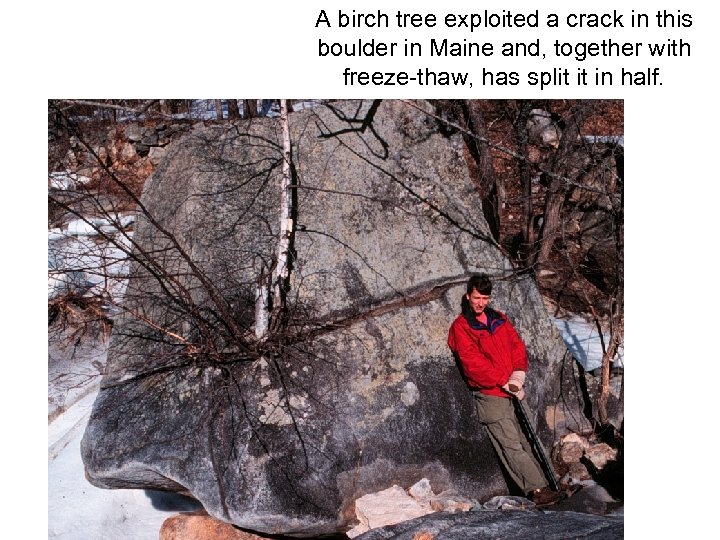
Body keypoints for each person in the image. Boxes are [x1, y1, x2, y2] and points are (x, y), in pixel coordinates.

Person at [447, 273, 568, 506]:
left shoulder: (499, 319)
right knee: (511, 445)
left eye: (485, 298)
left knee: (528, 440)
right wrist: (504, 380)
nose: (481, 302)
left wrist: (519, 373)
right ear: (468, 296)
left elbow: (516, 345)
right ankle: (537, 491)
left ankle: (552, 484)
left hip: (513, 390)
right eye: (476, 297)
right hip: (492, 396)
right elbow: (473, 364)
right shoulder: (461, 327)